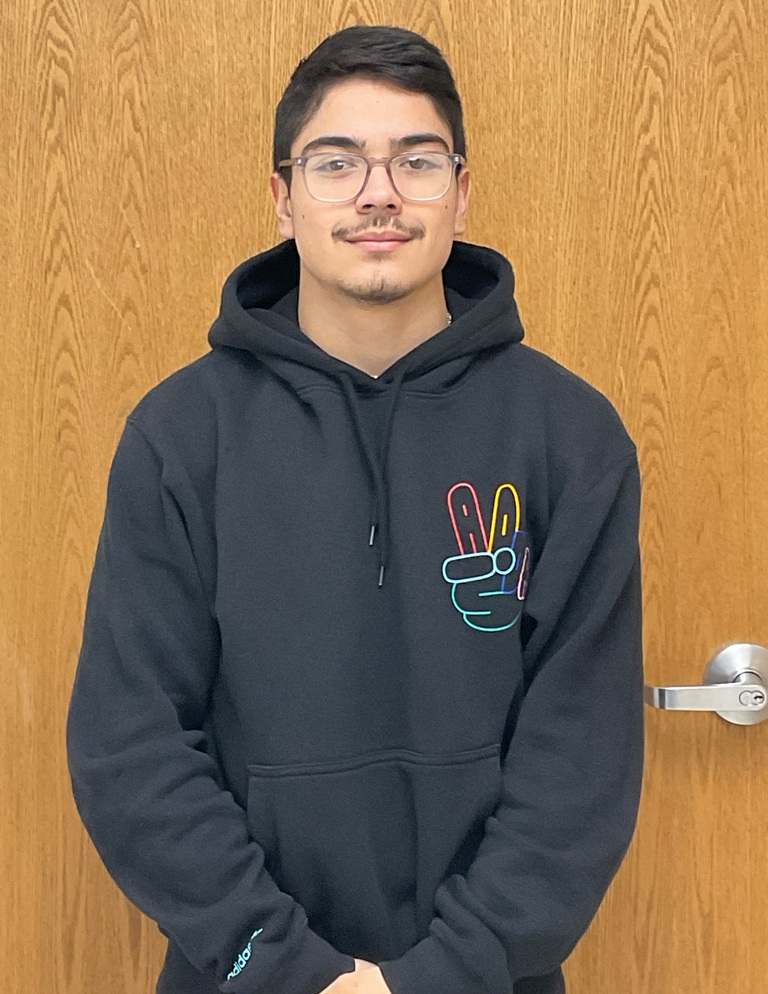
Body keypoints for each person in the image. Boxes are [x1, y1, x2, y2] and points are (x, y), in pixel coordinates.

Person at [66, 24, 644, 994]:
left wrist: (443, 974)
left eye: (416, 160)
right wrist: (287, 967)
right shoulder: (180, 435)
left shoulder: (570, 436)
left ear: (461, 190)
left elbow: (581, 760)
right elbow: (130, 745)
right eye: (336, 163)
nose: (379, 192)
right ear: (283, 197)